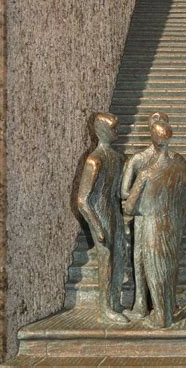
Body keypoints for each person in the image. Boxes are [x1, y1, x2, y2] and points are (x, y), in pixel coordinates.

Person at [122, 117, 186, 328]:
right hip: (167, 222)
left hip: (153, 222)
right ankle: (156, 306)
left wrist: (140, 204)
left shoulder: (147, 172)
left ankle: (161, 315)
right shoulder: (178, 164)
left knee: (155, 267)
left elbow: (129, 205)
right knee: (161, 265)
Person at [77, 113, 128, 324]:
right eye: (114, 128)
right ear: (102, 131)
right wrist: (96, 225)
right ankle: (105, 308)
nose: (117, 132)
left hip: (114, 212)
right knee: (106, 260)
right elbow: (82, 200)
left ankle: (115, 301)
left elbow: (119, 192)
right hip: (100, 214)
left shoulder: (117, 158)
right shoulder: (94, 160)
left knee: (119, 256)